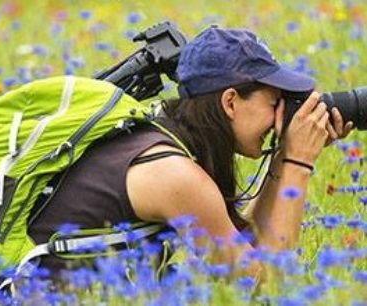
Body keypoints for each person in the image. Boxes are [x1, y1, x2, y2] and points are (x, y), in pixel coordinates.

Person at [25, 25, 354, 280]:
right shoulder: (175, 175)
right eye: (273, 104)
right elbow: (262, 284)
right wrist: (299, 162)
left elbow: (245, 248)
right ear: (229, 102)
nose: (280, 117)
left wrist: (283, 153)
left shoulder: (160, 137)